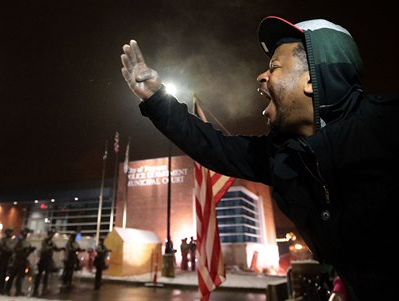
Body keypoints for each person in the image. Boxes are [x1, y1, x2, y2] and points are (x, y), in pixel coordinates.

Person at [120, 16, 398, 301]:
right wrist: (155, 99)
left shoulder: (388, 127)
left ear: (312, 79)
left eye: (274, 67)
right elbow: (213, 146)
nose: (261, 76)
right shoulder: (284, 155)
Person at [5, 228, 36, 296]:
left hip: (23, 260)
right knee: (12, 275)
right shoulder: (18, 241)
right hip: (17, 260)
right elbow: (15, 249)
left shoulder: (27, 242)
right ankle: (7, 290)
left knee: (20, 277)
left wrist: (30, 250)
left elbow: (27, 252)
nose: (25, 235)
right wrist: (22, 249)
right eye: (24, 233)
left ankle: (18, 290)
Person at [33, 229, 64, 297]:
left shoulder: (52, 242)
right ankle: (35, 288)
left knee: (47, 275)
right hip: (43, 259)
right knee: (40, 274)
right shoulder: (45, 240)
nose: (52, 235)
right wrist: (51, 247)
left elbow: (55, 248)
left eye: (52, 234)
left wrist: (61, 249)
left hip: (48, 260)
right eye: (51, 234)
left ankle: (44, 288)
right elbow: (45, 248)